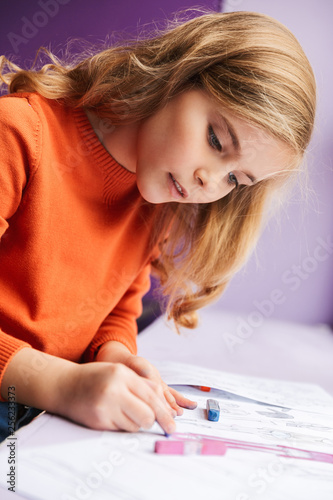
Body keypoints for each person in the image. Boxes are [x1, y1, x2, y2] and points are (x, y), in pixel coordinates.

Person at [0, 10, 316, 442]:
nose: (210, 182)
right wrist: (60, 384)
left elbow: (118, 309)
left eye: (235, 180)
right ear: (177, 73)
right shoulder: (19, 135)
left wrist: (114, 354)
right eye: (216, 141)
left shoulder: (158, 200)